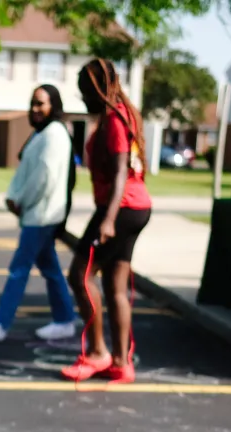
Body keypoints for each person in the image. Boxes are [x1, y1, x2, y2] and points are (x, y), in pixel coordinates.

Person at [62, 59, 152, 384]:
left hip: (120, 209)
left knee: (79, 275)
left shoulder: (115, 119)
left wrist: (108, 219)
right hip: (136, 207)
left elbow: (119, 175)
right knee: (115, 285)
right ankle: (120, 362)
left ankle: (98, 353)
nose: (83, 97)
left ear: (99, 87)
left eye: (86, 90)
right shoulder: (124, 113)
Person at [0, 84, 77, 343]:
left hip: (40, 215)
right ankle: (65, 320)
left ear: (55, 105)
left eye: (41, 103)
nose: (35, 108)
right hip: (39, 214)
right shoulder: (46, 133)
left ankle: (0, 323)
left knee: (19, 268)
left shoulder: (53, 134)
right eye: (33, 103)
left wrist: (20, 201)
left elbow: (43, 178)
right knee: (50, 269)